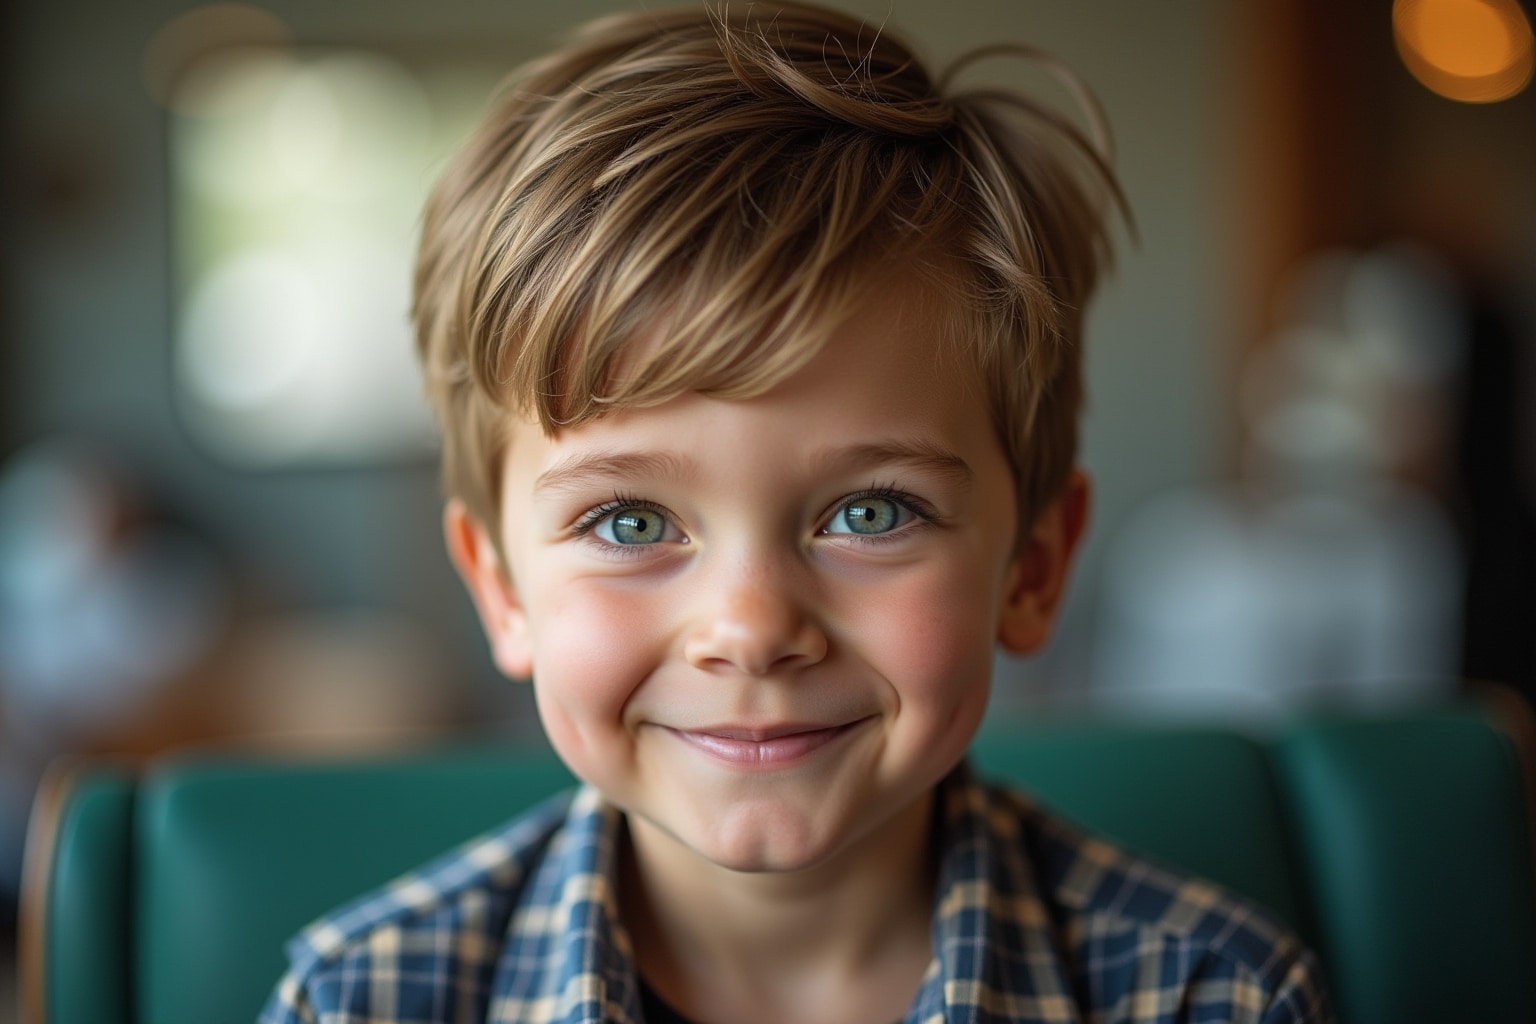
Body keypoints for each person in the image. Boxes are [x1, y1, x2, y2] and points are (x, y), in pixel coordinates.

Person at [261, 4, 1333, 1022]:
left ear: (1034, 566)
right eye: (632, 523)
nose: (753, 627)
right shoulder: (358, 1001)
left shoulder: (1213, 995)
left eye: (872, 512)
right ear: (500, 586)